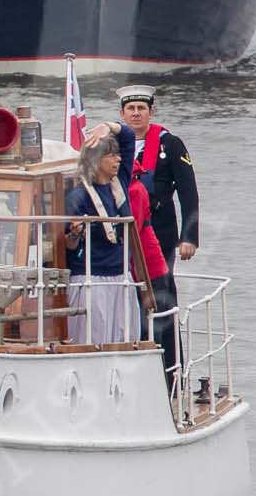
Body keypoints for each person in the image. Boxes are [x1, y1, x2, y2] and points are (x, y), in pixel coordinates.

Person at [116, 84, 200, 388]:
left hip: (160, 229)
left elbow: (189, 192)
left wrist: (188, 237)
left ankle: (170, 371)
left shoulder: (171, 145)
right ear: (122, 114)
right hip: (126, 229)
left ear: (151, 112)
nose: (136, 114)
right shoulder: (116, 146)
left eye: (142, 108)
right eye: (131, 109)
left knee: (162, 295)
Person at [64, 133, 139, 346]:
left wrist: (109, 126)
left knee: (124, 339)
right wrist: (75, 233)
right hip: (91, 279)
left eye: (117, 154)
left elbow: (128, 137)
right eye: (111, 155)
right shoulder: (77, 198)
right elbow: (66, 245)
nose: (118, 159)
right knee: (92, 339)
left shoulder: (119, 185)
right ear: (95, 160)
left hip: (120, 276)